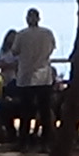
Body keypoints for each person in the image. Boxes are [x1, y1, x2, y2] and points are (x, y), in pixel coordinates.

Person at [11, 9, 58, 148]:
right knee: (45, 111)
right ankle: (45, 142)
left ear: (27, 19)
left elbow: (15, 51)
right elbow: (51, 49)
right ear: (39, 18)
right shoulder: (48, 33)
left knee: (25, 110)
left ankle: (23, 141)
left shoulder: (21, 34)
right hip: (44, 76)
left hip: (26, 76)